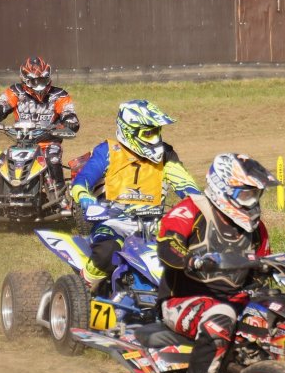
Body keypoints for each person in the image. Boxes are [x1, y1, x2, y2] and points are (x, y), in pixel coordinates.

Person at [157, 153, 277, 373]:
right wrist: (190, 259)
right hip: (182, 299)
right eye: (247, 194)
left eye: (256, 194)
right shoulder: (192, 210)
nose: (253, 201)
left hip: (237, 299)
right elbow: (168, 246)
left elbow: (262, 264)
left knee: (282, 315)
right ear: (224, 187)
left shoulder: (256, 229)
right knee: (220, 319)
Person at [69, 100, 200, 292]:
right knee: (107, 252)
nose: (155, 138)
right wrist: (85, 198)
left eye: (157, 131)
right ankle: (84, 287)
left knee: (196, 249)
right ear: (129, 131)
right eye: (148, 133)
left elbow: (185, 183)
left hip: (156, 222)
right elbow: (83, 180)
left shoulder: (166, 154)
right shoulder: (108, 151)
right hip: (114, 221)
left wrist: (202, 203)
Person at [0, 56, 80, 198]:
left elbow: (68, 112)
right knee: (1, 159)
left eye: (42, 80)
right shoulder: (15, 92)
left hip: (48, 143)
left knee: (52, 158)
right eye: (34, 81)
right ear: (25, 79)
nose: (39, 85)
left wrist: (70, 122)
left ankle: (60, 198)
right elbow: (0, 106)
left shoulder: (59, 95)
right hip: (22, 144)